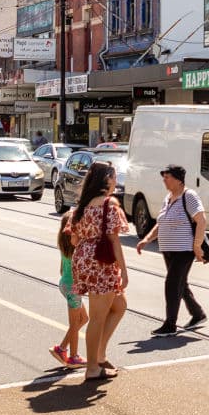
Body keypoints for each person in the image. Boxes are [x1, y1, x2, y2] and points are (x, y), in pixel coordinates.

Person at [69, 160, 129, 380]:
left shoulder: (82, 205)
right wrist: (124, 270)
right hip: (101, 263)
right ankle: (92, 367)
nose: (116, 181)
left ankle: (100, 354)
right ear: (107, 179)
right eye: (114, 177)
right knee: (97, 318)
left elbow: (74, 239)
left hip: (83, 259)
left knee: (119, 305)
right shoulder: (109, 204)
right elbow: (114, 240)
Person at [136, 164, 209, 336]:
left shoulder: (189, 196)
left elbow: (201, 220)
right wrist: (146, 239)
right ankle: (198, 314)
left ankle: (170, 325)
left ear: (178, 180)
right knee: (180, 284)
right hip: (168, 250)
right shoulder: (168, 198)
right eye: (164, 177)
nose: (164, 180)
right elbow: (161, 224)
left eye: (167, 177)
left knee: (172, 284)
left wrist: (197, 246)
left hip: (184, 250)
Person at [50, 214, 87, 368]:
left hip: (65, 283)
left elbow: (62, 267)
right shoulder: (75, 245)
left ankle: (61, 348)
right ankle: (73, 356)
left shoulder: (63, 242)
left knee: (84, 318)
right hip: (73, 287)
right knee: (75, 323)